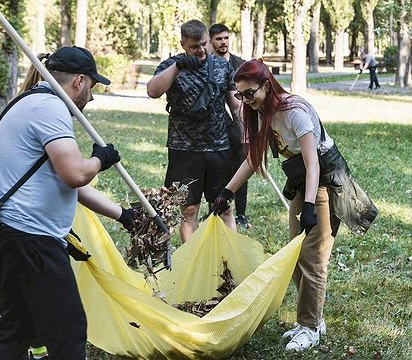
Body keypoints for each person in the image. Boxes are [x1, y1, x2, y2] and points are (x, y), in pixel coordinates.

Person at [0, 46, 137, 360]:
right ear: (79, 81)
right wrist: (100, 159)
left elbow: (61, 182)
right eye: (91, 88)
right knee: (68, 333)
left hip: (11, 240)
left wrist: (123, 215)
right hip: (31, 242)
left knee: (17, 330)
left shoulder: (29, 102)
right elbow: (74, 175)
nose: (90, 98)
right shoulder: (49, 108)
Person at [212, 59, 378, 352]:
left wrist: (311, 207)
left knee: (312, 258)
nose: (244, 100)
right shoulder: (261, 112)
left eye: (249, 93)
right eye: (239, 95)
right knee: (295, 255)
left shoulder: (294, 112)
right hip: (302, 181)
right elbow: (253, 159)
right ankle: (311, 320)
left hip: (325, 180)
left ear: (266, 86)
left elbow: (313, 163)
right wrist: (227, 191)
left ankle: (310, 327)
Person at [147, 19, 241, 243]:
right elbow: (152, 91)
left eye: (204, 44)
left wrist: (246, 137)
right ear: (183, 44)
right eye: (194, 46)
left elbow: (236, 106)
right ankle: (193, 262)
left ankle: (231, 261)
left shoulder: (221, 66)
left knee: (224, 208)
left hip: (219, 148)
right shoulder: (171, 66)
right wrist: (178, 67)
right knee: (188, 211)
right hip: (184, 151)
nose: (200, 50)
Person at [209, 23, 251, 229]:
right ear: (210, 41)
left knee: (241, 168)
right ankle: (215, 209)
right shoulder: (206, 64)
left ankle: (241, 213)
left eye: (225, 38)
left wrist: (246, 132)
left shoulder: (240, 65)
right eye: (218, 39)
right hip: (216, 130)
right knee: (217, 172)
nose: (223, 42)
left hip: (238, 127)